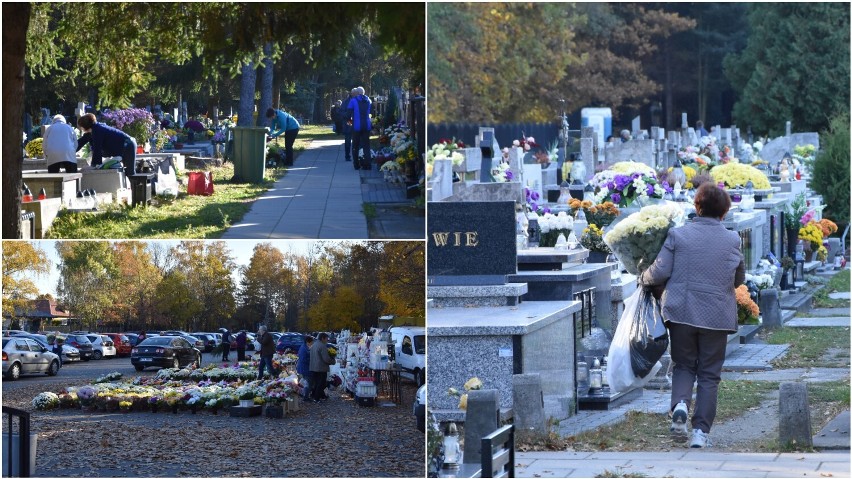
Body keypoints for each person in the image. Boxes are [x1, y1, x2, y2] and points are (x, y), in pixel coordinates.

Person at [640, 182, 745, 449]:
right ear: (723, 212)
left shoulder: (678, 235)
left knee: (684, 365)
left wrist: (642, 276)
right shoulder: (733, 239)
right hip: (716, 315)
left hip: (682, 311)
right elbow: (738, 279)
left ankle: (681, 407)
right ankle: (700, 433)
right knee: (709, 374)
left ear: (697, 207)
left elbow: (659, 272)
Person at [347, 86, 372, 170]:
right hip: (367, 126)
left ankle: (356, 164)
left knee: (355, 146)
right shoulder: (369, 100)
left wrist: (349, 122)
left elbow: (348, 114)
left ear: (357, 93)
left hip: (356, 126)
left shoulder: (353, 101)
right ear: (364, 92)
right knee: (366, 145)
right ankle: (368, 164)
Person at [309, 332, 336, 402]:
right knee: (321, 384)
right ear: (322, 338)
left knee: (316, 383)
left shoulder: (314, 345)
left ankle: (316, 395)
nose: (327, 340)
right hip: (321, 368)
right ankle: (316, 398)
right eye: (326, 339)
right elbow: (326, 358)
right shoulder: (322, 346)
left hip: (313, 367)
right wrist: (333, 361)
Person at [296, 336, 315, 400]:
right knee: (308, 383)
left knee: (306, 382)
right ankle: (306, 397)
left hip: (303, 368)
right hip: (305, 368)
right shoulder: (304, 348)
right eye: (312, 342)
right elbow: (304, 359)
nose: (312, 343)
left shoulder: (304, 347)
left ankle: (304, 394)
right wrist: (312, 360)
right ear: (308, 342)